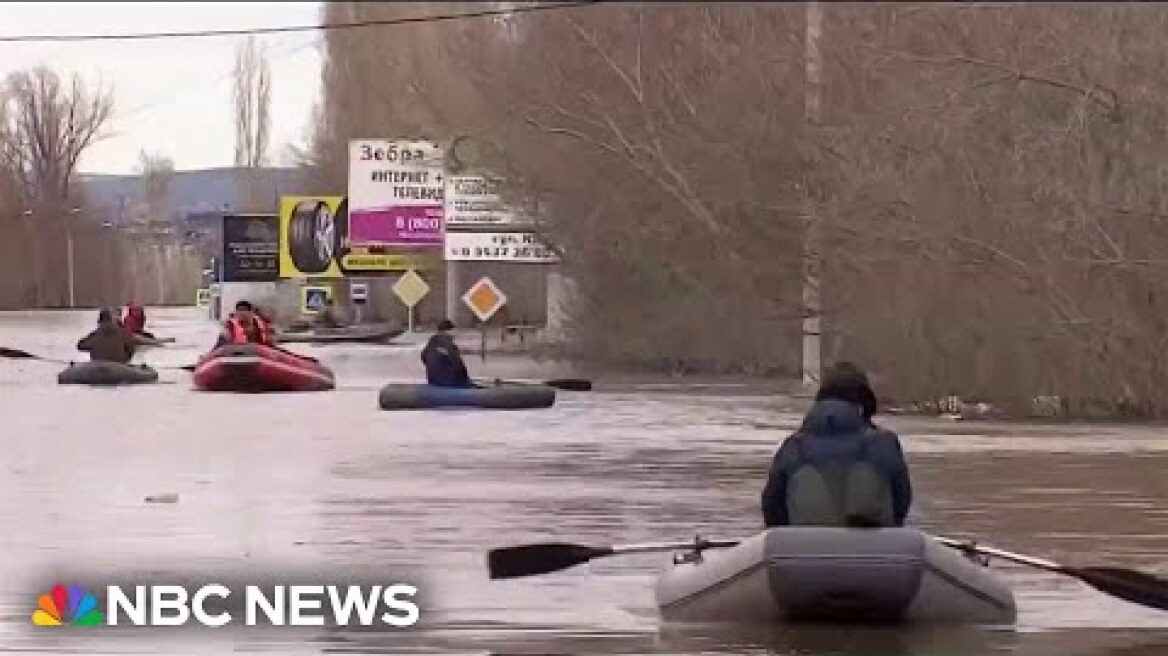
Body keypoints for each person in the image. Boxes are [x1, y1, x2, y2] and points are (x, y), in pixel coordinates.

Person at [760, 361, 913, 529]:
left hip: (806, 543)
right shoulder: (884, 444)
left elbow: (772, 510)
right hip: (874, 544)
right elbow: (901, 503)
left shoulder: (793, 447)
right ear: (863, 405)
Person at [420, 319, 473, 388]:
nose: (455, 333)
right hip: (451, 383)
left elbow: (423, 357)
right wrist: (467, 380)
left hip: (433, 381)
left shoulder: (431, 343)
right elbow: (458, 364)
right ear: (449, 331)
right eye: (454, 330)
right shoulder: (449, 344)